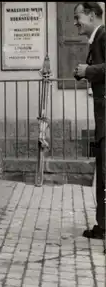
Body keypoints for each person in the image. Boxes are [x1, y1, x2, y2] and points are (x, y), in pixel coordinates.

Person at [73, 2, 106, 240]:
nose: (75, 23)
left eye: (78, 17)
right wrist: (84, 72)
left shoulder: (104, 35)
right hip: (102, 115)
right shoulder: (96, 39)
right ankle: (102, 225)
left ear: (92, 15)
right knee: (103, 172)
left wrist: (89, 71)